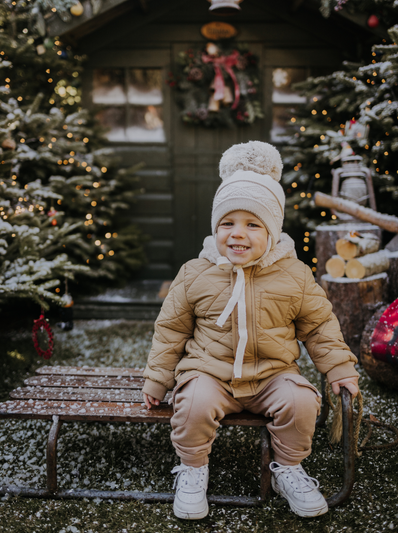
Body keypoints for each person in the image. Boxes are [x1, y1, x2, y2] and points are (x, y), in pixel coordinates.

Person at [142, 141, 359, 520]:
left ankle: (288, 467)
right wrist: (158, 378)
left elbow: (320, 325)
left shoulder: (294, 275)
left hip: (272, 375)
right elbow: (171, 330)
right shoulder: (197, 273)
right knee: (191, 404)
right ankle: (193, 469)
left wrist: (338, 368)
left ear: (272, 231)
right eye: (227, 223)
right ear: (215, 227)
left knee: (301, 402)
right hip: (210, 373)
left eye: (252, 224)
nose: (237, 234)